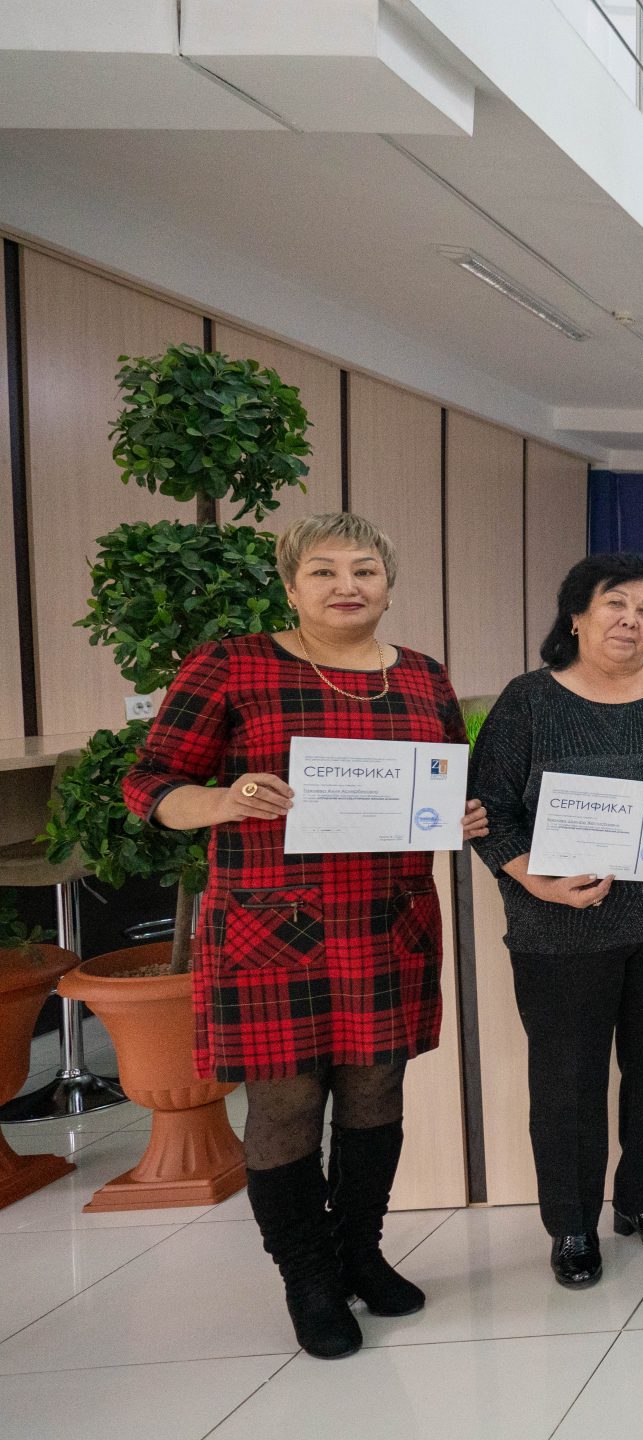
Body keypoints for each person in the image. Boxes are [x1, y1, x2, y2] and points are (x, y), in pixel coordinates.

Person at [124, 512, 487, 1360]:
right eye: (323, 571)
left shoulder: (423, 675)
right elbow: (150, 781)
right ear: (291, 586)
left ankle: (361, 1253)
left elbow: (441, 779)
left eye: (364, 570)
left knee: (376, 1094)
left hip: (387, 918)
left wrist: (459, 812)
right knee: (285, 1105)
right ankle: (309, 1278)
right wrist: (222, 800)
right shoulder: (233, 664)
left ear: (388, 586)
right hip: (270, 927)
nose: (346, 586)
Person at [469, 552, 643, 1290]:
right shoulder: (529, 701)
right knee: (568, 1080)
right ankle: (572, 1224)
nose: (631, 620)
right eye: (615, 604)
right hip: (561, 929)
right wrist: (533, 880)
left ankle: (641, 1201)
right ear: (575, 615)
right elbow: (488, 812)